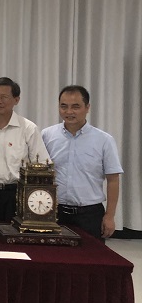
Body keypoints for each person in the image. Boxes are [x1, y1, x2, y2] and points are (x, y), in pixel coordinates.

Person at [41, 85, 123, 241]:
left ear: (87, 107)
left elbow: (113, 179)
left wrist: (110, 216)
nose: (69, 111)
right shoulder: (47, 135)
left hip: (89, 215)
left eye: (75, 106)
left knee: (91, 255)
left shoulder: (104, 140)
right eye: (64, 106)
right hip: (54, 212)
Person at [0, 77, 49, 222]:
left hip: (16, 194)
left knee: (13, 234)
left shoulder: (28, 129)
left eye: (4, 97)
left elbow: (41, 165)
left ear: (16, 100)